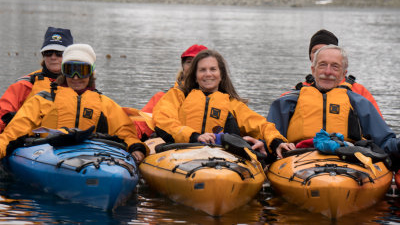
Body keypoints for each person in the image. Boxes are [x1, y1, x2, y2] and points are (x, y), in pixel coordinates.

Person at [0, 44, 147, 163]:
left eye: (82, 70)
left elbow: (125, 132)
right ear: (64, 73)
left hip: (93, 156)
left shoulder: (105, 104)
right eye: (70, 70)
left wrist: (137, 148)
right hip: (47, 155)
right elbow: (14, 132)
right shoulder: (42, 100)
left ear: (90, 73)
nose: (76, 77)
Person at [268, 45, 400, 163]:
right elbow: (268, 137)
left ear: (344, 73)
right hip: (298, 159)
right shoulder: (287, 102)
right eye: (322, 65)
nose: (327, 72)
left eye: (335, 67)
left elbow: (385, 142)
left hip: (348, 160)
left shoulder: (359, 103)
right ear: (313, 70)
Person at [153, 49, 295, 159]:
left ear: (221, 75)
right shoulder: (178, 95)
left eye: (213, 69)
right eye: (202, 70)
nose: (208, 74)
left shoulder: (232, 104)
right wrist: (194, 136)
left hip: (220, 157)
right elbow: (163, 120)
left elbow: (261, 125)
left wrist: (276, 142)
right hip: (181, 151)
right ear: (195, 76)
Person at [285, 29, 382, 116]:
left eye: (325, 50)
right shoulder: (297, 93)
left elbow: (379, 129)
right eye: (315, 51)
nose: (320, 54)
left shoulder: (359, 93)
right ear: (311, 58)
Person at [0, 27, 73, 132]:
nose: (53, 57)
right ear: (43, 55)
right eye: (48, 52)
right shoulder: (24, 85)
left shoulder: (81, 84)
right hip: (32, 143)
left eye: (59, 53)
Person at [135, 44, 208, 140]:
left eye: (198, 63)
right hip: (174, 145)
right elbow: (140, 128)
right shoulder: (163, 97)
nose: (193, 67)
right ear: (183, 67)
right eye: (189, 62)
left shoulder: (226, 99)